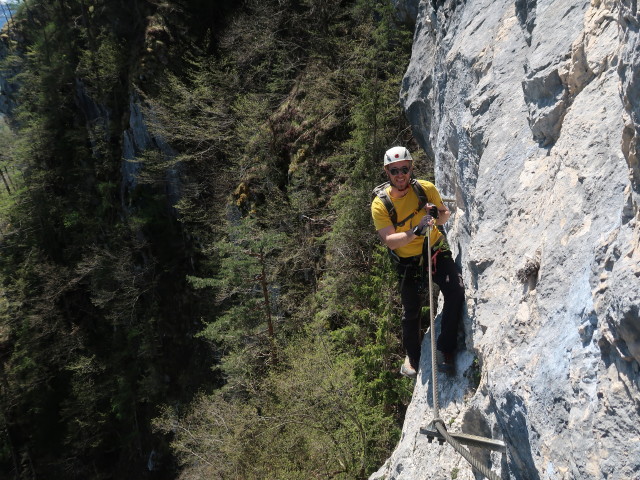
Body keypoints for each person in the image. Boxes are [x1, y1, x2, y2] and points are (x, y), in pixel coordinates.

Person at [370, 146, 465, 378]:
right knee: (411, 311)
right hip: (407, 261)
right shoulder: (380, 205)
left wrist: (435, 215)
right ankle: (412, 357)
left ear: (411, 168)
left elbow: (444, 214)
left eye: (404, 169)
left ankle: (446, 349)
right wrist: (416, 230)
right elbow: (391, 241)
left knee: (455, 290)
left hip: (434, 249)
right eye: (395, 171)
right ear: (387, 172)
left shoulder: (425, 189)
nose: (400, 174)